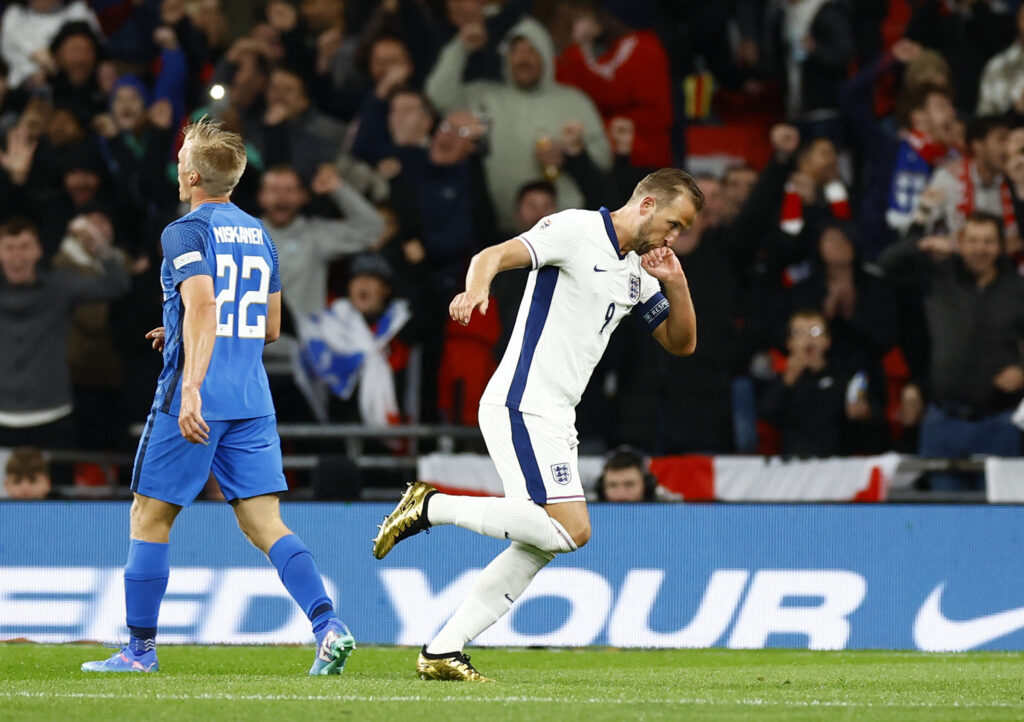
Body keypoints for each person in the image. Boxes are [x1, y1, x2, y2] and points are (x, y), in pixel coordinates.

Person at [372, 168, 704, 681]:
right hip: (521, 402)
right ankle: (430, 505)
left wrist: (677, 283)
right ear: (646, 205)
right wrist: (475, 289)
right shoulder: (575, 230)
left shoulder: (639, 273)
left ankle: (442, 651)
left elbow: (681, 343)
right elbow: (492, 256)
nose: (674, 236)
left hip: (555, 414)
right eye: (674, 223)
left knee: (537, 546)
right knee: (572, 531)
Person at [81, 118, 354, 675]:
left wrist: (190, 387)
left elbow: (205, 307)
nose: (178, 163)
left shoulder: (184, 231)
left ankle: (139, 651)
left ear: (192, 174)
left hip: (199, 398)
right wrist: (177, 326)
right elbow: (270, 325)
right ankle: (328, 625)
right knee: (264, 523)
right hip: (252, 398)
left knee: (149, 517)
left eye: (182, 157)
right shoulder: (260, 233)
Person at [879, 211, 1024, 490]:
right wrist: (923, 240)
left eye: (988, 241)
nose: (980, 249)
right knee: (942, 519)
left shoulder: (1017, 290)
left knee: (997, 520)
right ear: (960, 242)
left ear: (1001, 246)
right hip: (943, 422)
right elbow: (888, 264)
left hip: (1000, 424)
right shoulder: (939, 277)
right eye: (972, 241)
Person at [0, 216, 129, 449]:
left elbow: (117, 284)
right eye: (9, 248)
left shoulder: (59, 286)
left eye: (24, 247)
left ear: (38, 251)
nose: (17, 256)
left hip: (53, 416)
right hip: (3, 417)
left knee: (59, 487)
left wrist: (98, 246)